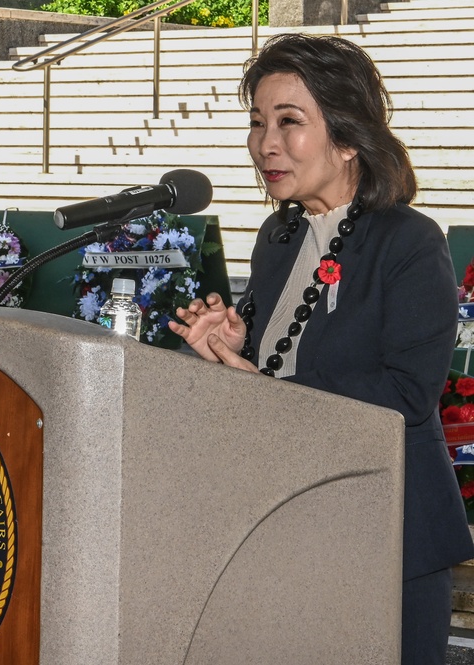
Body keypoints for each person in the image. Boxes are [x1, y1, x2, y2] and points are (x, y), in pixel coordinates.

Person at [167, 33, 474, 664]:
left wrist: (269, 391)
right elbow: (278, 359)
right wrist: (232, 342)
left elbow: (406, 393)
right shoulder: (277, 237)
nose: (265, 144)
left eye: (289, 122)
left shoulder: (409, 242)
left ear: (349, 136)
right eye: (257, 122)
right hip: (286, 519)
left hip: (388, 534)